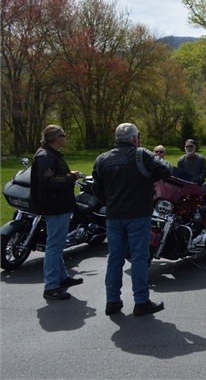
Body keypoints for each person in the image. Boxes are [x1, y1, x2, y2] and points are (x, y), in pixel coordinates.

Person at [92, 123, 171, 316]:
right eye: (139, 137)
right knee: (139, 258)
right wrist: (149, 178)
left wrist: (109, 202)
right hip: (137, 214)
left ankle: (112, 300)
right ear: (135, 138)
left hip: (114, 215)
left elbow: (96, 187)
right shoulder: (141, 154)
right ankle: (141, 300)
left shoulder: (102, 159)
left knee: (115, 259)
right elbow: (165, 171)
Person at [31, 125, 84, 300]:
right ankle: (51, 286)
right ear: (56, 138)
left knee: (58, 244)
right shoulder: (45, 156)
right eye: (63, 135)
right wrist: (72, 176)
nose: (65, 137)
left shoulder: (50, 154)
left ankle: (61, 278)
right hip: (54, 206)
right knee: (54, 246)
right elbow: (50, 181)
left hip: (59, 205)